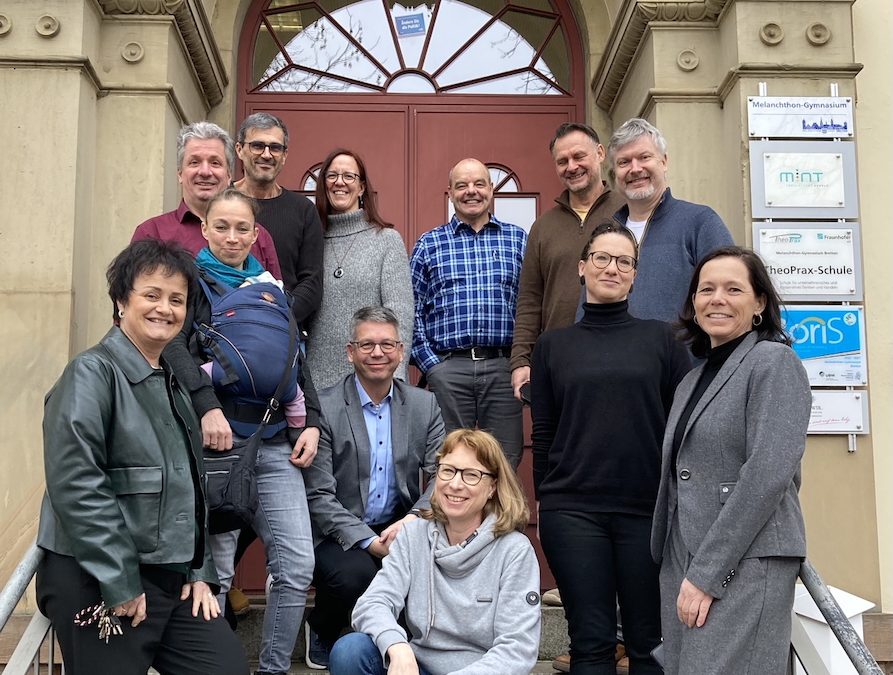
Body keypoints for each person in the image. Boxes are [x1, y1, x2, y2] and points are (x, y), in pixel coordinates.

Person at [35, 239, 248, 675]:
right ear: (120, 301)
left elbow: (188, 488)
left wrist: (199, 571)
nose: (164, 309)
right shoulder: (92, 372)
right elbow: (77, 482)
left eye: (177, 300)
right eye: (151, 295)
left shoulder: (170, 381)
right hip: (96, 576)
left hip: (170, 578)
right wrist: (118, 579)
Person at [162, 188, 320, 675]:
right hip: (217, 446)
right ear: (205, 230)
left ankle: (272, 669)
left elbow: (294, 354)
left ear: (257, 234)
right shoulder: (188, 281)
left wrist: (310, 420)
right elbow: (173, 349)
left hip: (273, 442)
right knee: (215, 571)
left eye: (242, 228)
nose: (233, 237)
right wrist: (207, 407)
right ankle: (214, 665)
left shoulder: (272, 286)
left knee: (296, 567)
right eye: (222, 227)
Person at [532, 222, 691, 674]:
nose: (612, 268)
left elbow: (682, 430)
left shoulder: (664, 341)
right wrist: (545, 504)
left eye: (624, 261)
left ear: (635, 274)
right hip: (573, 510)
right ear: (582, 268)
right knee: (591, 643)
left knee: (648, 643)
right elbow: (544, 432)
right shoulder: (552, 347)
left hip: (647, 511)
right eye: (601, 257)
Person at [651, 246, 811, 674]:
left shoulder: (774, 362)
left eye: (733, 288)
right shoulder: (691, 380)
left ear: (759, 303)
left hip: (744, 563)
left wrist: (707, 574)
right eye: (706, 289)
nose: (717, 298)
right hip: (686, 559)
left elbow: (766, 474)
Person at [328, 428, 542, 675]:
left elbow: (517, 649)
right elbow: (373, 603)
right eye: (448, 470)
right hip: (419, 667)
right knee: (351, 651)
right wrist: (397, 647)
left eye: (471, 475)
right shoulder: (414, 536)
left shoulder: (514, 551)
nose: (455, 484)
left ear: (492, 487)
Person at [303, 306, 445, 669]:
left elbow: (442, 475)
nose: (377, 353)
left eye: (386, 344)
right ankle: (326, 627)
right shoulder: (326, 405)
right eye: (367, 345)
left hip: (401, 523)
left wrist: (413, 520)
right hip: (338, 531)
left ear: (400, 351)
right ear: (350, 352)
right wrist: (368, 542)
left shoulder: (423, 405)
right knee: (358, 574)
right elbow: (318, 494)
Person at [410, 158, 527, 468]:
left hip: (503, 369)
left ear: (491, 190)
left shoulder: (518, 240)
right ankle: (448, 520)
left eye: (479, 184)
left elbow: (530, 307)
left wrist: (522, 362)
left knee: (503, 464)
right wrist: (433, 367)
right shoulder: (429, 244)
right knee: (448, 462)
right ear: (450, 192)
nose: (470, 191)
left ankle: (501, 520)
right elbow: (411, 310)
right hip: (450, 369)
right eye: (461, 185)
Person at [575, 118, 734, 324]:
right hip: (613, 355)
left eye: (644, 157)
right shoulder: (606, 235)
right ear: (615, 173)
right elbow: (587, 305)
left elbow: (731, 296)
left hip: (682, 355)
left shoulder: (700, 223)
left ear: (664, 161)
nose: (635, 169)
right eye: (624, 162)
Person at [510, 122, 625, 401]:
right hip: (560, 362)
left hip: (621, 354)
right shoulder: (543, 227)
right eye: (562, 161)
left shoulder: (628, 212)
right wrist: (521, 360)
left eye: (578, 156)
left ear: (599, 153)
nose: (571, 166)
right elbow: (529, 299)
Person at [307, 148, 414, 389]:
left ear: (362, 187)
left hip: (375, 378)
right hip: (317, 380)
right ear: (323, 184)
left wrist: (394, 376)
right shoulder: (310, 239)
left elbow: (401, 315)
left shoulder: (386, 239)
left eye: (349, 176)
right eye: (332, 176)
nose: (340, 182)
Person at [132, 121, 282, 277]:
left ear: (229, 175)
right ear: (179, 173)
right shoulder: (152, 233)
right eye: (194, 162)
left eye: (215, 163)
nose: (205, 171)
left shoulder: (259, 238)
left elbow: (275, 297)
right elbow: (133, 296)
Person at [233, 112, 323, 324]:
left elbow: (311, 281)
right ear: (239, 150)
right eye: (257, 145)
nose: (266, 154)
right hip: (224, 327)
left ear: (284, 155)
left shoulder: (303, 211)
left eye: (275, 147)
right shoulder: (220, 204)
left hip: (284, 331)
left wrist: (280, 316)